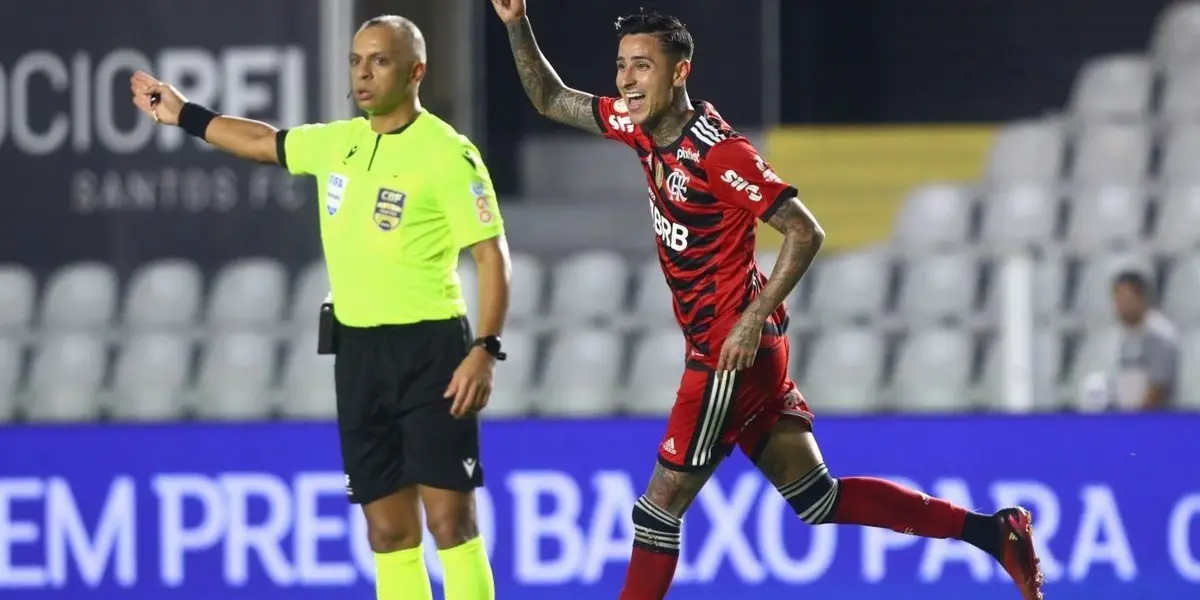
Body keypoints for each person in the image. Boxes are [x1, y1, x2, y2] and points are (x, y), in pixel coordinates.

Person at [490, 2, 1045, 599]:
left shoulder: (719, 154)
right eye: (623, 65)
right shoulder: (636, 124)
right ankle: (994, 533)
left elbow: (805, 231)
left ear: (680, 72)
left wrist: (749, 321)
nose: (626, 79)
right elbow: (551, 99)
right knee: (816, 496)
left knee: (657, 511)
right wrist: (516, 21)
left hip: (727, 352)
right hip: (744, 346)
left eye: (642, 66)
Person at [130, 15, 505, 600]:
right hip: (358, 354)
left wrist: (484, 348)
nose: (362, 72)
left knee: (451, 522)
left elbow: (492, 257)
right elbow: (260, 141)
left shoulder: (448, 154)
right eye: (357, 60)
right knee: (386, 532)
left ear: (416, 71)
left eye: (379, 60)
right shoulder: (338, 144)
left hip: (431, 350)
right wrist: (184, 114)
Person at [1110, 269, 1179, 410]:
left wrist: (1139, 421)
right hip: (1128, 419)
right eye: (1117, 299)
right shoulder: (1127, 335)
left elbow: (1159, 387)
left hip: (1153, 423)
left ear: (1141, 298)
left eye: (1125, 299)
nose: (1119, 306)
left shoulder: (1159, 334)